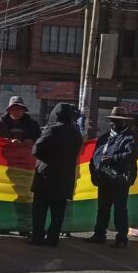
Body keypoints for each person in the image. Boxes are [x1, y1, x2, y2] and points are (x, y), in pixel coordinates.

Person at [85, 106, 138, 248]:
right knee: (102, 209)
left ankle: (121, 238)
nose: (114, 123)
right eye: (113, 120)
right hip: (104, 178)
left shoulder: (130, 138)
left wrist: (112, 159)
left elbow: (131, 156)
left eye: (118, 120)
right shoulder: (104, 138)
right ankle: (99, 234)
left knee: (120, 209)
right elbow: (95, 156)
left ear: (125, 122)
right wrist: (93, 171)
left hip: (120, 179)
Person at [29, 103, 83, 247]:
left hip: (46, 177)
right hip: (65, 178)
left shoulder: (52, 129)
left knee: (40, 210)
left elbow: (36, 149)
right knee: (58, 212)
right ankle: (53, 239)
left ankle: (37, 237)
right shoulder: (76, 133)